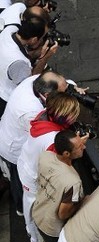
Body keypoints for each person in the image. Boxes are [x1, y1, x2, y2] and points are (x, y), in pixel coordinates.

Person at [0, 71, 71, 217]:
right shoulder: (31, 112)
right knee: (20, 182)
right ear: (47, 96)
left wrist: (74, 89)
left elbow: (62, 84)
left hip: (13, 134)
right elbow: (44, 131)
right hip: (14, 150)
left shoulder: (36, 81)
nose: (67, 93)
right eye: (63, 93)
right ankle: (21, 208)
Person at [17, 92, 81, 242]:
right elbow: (59, 162)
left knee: (28, 202)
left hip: (25, 163)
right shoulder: (53, 139)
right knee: (34, 206)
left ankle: (31, 233)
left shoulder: (42, 116)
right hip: (33, 176)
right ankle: (35, 239)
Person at [32, 129, 87, 242]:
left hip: (38, 214)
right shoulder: (73, 182)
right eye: (79, 146)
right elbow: (63, 214)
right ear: (66, 153)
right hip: (53, 227)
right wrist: (81, 202)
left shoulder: (45, 156)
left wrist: (78, 141)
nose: (83, 147)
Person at [0, 6, 57, 116]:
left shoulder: (9, 31)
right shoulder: (19, 64)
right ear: (34, 39)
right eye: (42, 37)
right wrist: (45, 57)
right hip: (5, 98)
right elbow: (30, 84)